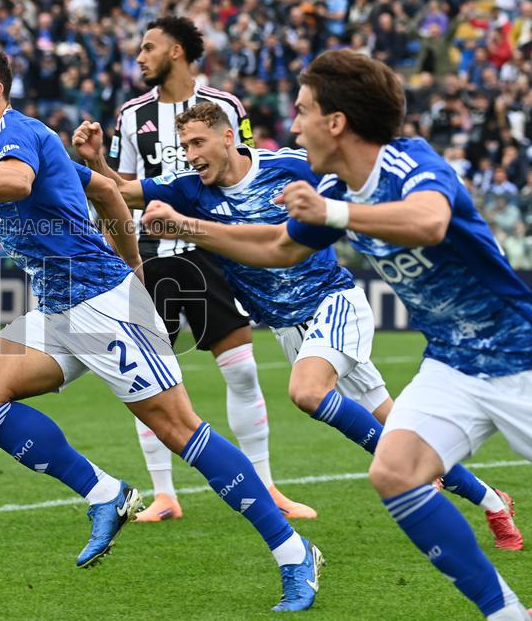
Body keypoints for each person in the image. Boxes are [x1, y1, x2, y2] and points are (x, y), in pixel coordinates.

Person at [0, 46, 322, 611]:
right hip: (58, 308)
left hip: (98, 304)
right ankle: (106, 493)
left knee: (180, 430)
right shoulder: (25, 139)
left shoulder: (14, 136)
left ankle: (293, 553)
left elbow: (16, 184)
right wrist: (135, 264)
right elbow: (108, 191)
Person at [141, 50, 531, 619]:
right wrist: (186, 226)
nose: (292, 126)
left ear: (336, 121)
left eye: (301, 112)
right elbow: (279, 246)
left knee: (318, 397)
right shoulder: (331, 187)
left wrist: (333, 213)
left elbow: (430, 222)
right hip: (450, 363)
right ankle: (506, 611)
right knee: (395, 472)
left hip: (516, 357)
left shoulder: (409, 163)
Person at [83, 100, 521, 550]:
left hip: (335, 302)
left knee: (308, 392)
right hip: (290, 328)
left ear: (229, 136)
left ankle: (414, 479)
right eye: (185, 145)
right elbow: (125, 192)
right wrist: (96, 161)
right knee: (397, 431)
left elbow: (351, 190)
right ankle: (492, 501)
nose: (192, 154)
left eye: (199, 142)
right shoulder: (190, 188)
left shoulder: (290, 166)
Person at [91, 15, 312, 521]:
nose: (139, 57)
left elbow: (246, 170)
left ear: (176, 51)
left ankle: (268, 485)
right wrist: (98, 168)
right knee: (143, 377)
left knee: (242, 371)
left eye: (148, 48)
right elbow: (116, 190)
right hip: (150, 259)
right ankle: (164, 494)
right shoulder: (131, 115)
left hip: (211, 251)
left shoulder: (226, 108)